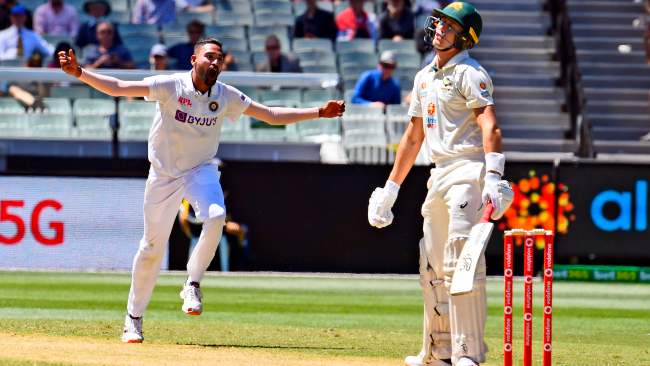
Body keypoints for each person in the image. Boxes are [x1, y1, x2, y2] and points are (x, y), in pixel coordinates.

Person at [57, 37, 345, 344]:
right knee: (151, 249)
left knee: (216, 216)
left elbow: (270, 115)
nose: (215, 62)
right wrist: (80, 73)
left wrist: (318, 112)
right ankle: (133, 319)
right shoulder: (171, 86)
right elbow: (119, 87)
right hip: (164, 174)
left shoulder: (225, 95)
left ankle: (192, 283)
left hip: (200, 170)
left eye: (219, 58)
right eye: (209, 56)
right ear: (194, 60)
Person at [367, 3, 513, 366]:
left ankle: (470, 354)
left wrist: (493, 175)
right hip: (438, 173)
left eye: (449, 26)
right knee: (431, 266)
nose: (439, 29)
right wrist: (391, 189)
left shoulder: (470, 73)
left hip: (468, 169)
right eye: (439, 23)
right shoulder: (423, 77)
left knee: (461, 259)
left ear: (464, 37)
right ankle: (439, 352)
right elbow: (413, 137)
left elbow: (490, 126)